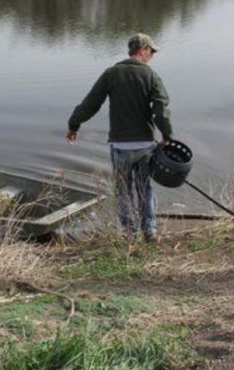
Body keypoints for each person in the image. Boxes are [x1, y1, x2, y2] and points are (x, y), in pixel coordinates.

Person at [66, 33, 173, 241]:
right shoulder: (151, 76)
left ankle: (130, 232)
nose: (152, 56)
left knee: (123, 189)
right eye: (151, 51)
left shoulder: (111, 74)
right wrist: (167, 136)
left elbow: (91, 103)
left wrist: (74, 125)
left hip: (120, 145)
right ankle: (149, 229)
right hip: (145, 145)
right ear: (142, 50)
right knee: (144, 187)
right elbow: (161, 110)